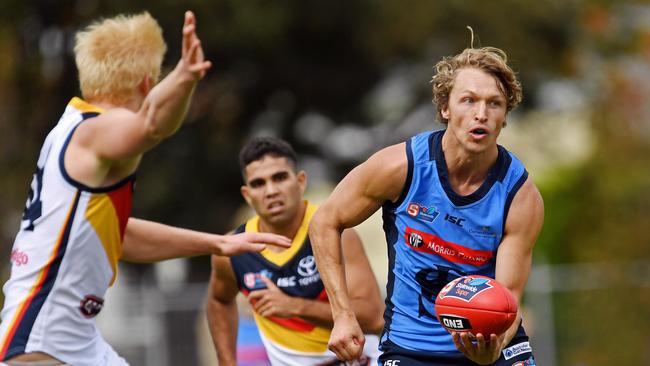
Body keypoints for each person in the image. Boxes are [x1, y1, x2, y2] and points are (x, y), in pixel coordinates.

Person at [0, 11, 291, 366]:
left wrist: (217, 243)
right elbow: (151, 124)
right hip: (43, 345)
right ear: (144, 83)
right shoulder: (96, 131)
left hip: (72, 341)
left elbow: (120, 237)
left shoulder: (72, 132)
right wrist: (184, 77)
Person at [309, 45, 544, 365]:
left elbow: (509, 298)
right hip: (411, 347)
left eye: (494, 104)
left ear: (504, 118)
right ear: (445, 108)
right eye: (469, 100)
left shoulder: (520, 196)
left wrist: (491, 348)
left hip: (490, 337)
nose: (481, 114)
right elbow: (325, 221)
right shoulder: (400, 167)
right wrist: (343, 315)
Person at [206, 137, 385, 366]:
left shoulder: (337, 233)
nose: (271, 191)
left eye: (279, 178)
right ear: (247, 195)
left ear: (300, 181)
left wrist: (293, 306)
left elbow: (374, 317)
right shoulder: (234, 249)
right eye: (258, 183)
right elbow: (219, 301)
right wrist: (227, 361)